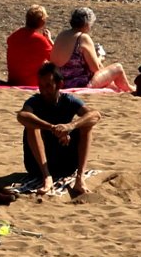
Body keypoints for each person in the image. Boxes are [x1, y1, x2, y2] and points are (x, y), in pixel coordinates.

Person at [17, 59, 99, 196]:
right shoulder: (35, 101)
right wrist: (51, 128)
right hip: (37, 165)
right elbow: (22, 116)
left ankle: (80, 178)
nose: (44, 90)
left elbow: (95, 115)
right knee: (31, 127)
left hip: (65, 162)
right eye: (41, 86)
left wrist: (70, 126)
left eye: (48, 86)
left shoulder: (69, 100)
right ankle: (46, 177)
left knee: (87, 125)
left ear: (59, 84)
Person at [51, 8, 130, 92]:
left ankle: (127, 88)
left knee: (112, 86)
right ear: (87, 24)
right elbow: (95, 69)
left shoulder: (62, 35)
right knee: (118, 68)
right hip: (80, 83)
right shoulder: (82, 37)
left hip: (61, 82)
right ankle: (129, 89)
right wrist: (100, 57)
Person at [6, 6, 55, 86]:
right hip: (30, 83)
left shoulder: (14, 36)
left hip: (13, 80)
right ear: (42, 22)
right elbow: (57, 58)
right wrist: (49, 40)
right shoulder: (40, 40)